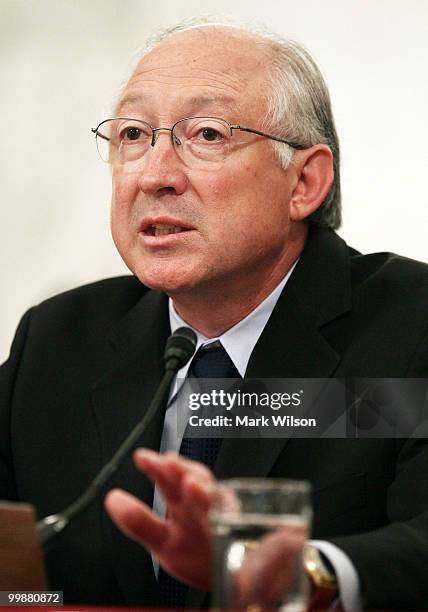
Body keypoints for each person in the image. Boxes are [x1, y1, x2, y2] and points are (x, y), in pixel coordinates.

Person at [1, 18, 427, 610]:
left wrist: (303, 574)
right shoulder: (57, 342)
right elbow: (22, 584)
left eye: (205, 134)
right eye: (133, 135)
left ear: (304, 181)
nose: (154, 175)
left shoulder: (412, 327)